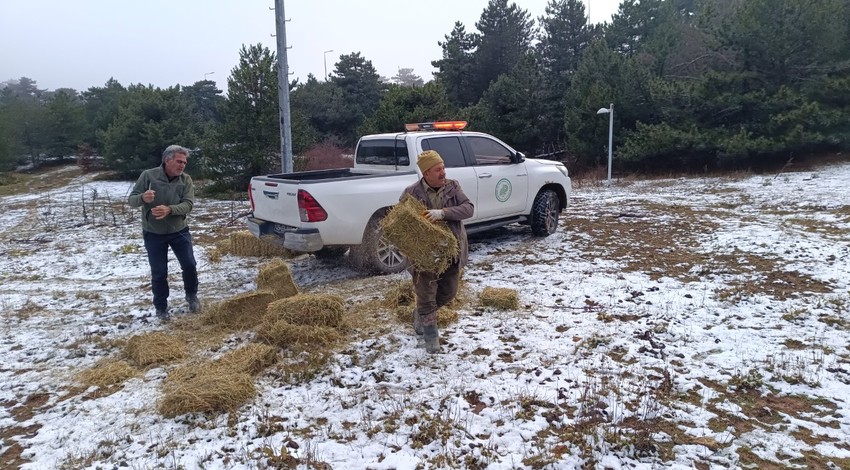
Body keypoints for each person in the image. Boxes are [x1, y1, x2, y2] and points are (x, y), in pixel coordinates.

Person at [401, 150, 474, 353]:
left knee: (448, 294)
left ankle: (420, 315)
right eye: (438, 169)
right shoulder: (411, 193)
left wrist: (443, 213)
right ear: (426, 173)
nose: (443, 173)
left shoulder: (453, 187)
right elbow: (400, 223)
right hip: (423, 256)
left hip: (450, 253)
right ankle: (431, 341)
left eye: (443, 168)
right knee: (426, 296)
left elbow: (469, 208)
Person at [127, 145, 200, 321]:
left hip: (179, 231)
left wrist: (170, 209)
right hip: (153, 233)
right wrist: (143, 198)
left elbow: (189, 204)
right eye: (179, 161)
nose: (183, 165)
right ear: (168, 160)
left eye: (185, 162)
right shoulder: (148, 176)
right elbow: (131, 200)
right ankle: (161, 307)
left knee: (189, 265)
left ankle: (191, 296)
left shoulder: (186, 180)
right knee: (159, 272)